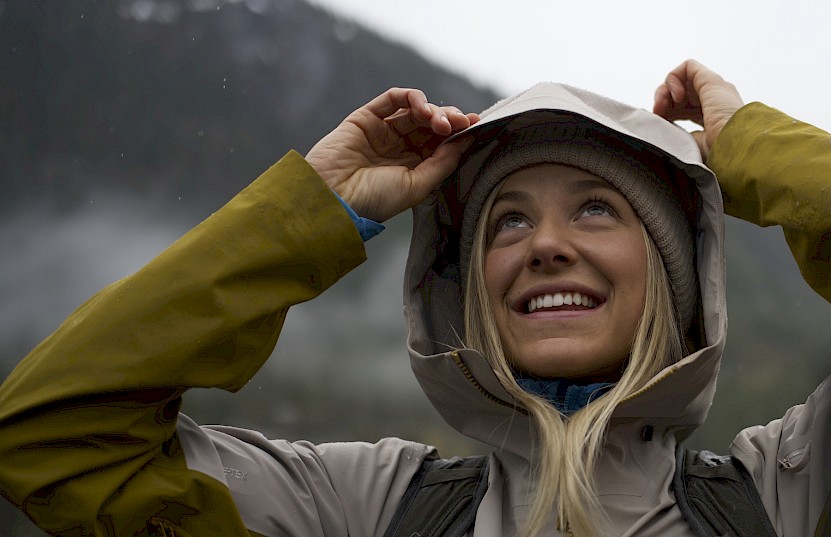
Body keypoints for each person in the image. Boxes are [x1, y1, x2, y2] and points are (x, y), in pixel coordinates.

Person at [0, 59, 828, 537]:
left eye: (594, 207)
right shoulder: (362, 510)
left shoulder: (785, 493)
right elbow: (52, 433)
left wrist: (751, 147)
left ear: (673, 274)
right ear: (469, 291)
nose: (542, 244)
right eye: (505, 222)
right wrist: (313, 211)